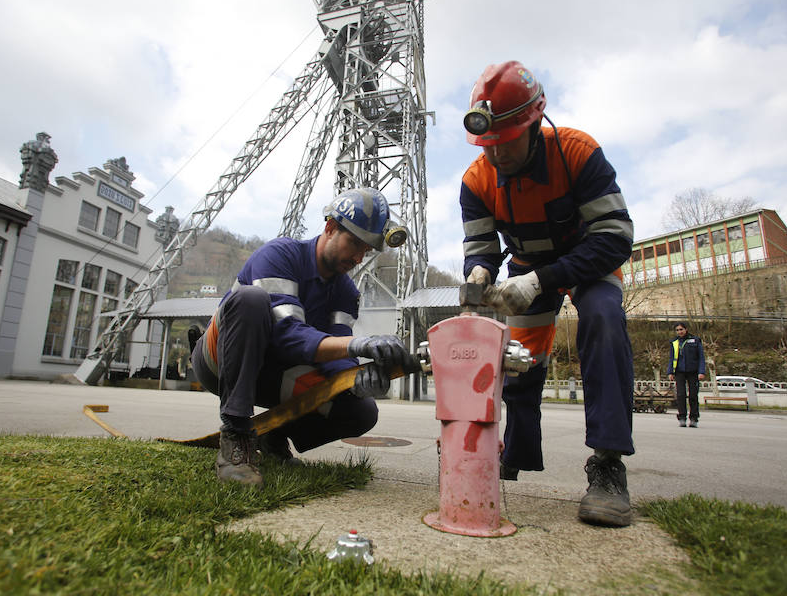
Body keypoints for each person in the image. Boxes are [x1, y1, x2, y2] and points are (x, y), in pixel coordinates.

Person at [459, 61, 636, 527]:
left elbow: (615, 237)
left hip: (588, 262)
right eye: (487, 145)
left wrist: (543, 279)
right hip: (524, 269)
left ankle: (608, 466)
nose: (496, 156)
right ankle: (514, 455)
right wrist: (478, 273)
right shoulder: (475, 181)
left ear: (534, 123)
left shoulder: (578, 153)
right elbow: (480, 246)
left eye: (506, 142)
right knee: (519, 362)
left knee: (603, 319)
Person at [191, 187, 416, 486]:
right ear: (330, 227)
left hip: (275, 373)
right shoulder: (280, 255)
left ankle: (273, 435)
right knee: (251, 300)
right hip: (221, 362)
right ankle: (235, 435)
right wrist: (357, 345)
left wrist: (357, 379)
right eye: (355, 244)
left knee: (361, 412)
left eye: (367, 250)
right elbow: (288, 335)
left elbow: (335, 361)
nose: (359, 257)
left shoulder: (346, 293)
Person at [667, 322, 706, 428]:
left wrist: (701, 371)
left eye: (681, 329)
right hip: (679, 371)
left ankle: (693, 418)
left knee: (693, 395)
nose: (680, 332)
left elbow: (701, 357)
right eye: (677, 330)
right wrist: (670, 372)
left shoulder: (695, 340)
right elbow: (671, 358)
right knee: (680, 395)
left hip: (693, 371)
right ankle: (682, 417)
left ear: (686, 329)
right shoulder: (674, 342)